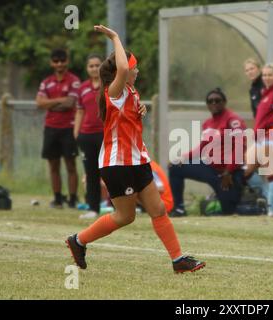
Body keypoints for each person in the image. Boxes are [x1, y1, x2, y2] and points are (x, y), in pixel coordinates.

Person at [66, 25, 205, 273]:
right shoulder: (114, 90)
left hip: (137, 160)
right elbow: (121, 68)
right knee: (124, 217)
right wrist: (116, 37)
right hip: (117, 164)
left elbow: (128, 113)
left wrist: (141, 110)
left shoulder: (130, 91)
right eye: (134, 67)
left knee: (158, 209)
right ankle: (78, 241)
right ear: (125, 70)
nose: (137, 70)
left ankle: (178, 260)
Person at [168, 88, 247, 217]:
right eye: (210, 101)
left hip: (229, 173)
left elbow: (239, 149)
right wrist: (182, 157)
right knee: (176, 167)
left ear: (224, 102)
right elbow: (202, 148)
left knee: (229, 211)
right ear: (207, 105)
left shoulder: (233, 120)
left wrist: (228, 171)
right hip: (211, 168)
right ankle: (179, 209)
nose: (214, 103)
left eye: (217, 100)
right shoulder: (207, 123)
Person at [36, 48, 81, 209]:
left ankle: (73, 198)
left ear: (67, 61)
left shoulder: (74, 80)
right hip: (50, 127)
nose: (59, 64)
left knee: (70, 164)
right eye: (56, 61)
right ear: (51, 63)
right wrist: (60, 100)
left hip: (69, 128)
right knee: (53, 165)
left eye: (62, 60)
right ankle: (57, 198)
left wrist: (50, 102)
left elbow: (70, 103)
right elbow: (39, 102)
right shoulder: (46, 81)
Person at [243, 64, 273, 217]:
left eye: (270, 75)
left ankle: (272, 210)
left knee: (270, 171)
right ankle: (269, 197)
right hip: (262, 135)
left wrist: (262, 128)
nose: (266, 78)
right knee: (246, 169)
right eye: (264, 75)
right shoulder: (265, 92)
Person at [73, 54, 104, 220]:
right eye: (91, 66)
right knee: (91, 173)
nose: (94, 68)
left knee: (110, 172)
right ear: (87, 68)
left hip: (104, 135)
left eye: (97, 65)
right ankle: (93, 208)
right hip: (86, 135)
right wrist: (76, 133)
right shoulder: (83, 87)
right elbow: (79, 111)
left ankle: (117, 207)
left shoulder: (109, 85)